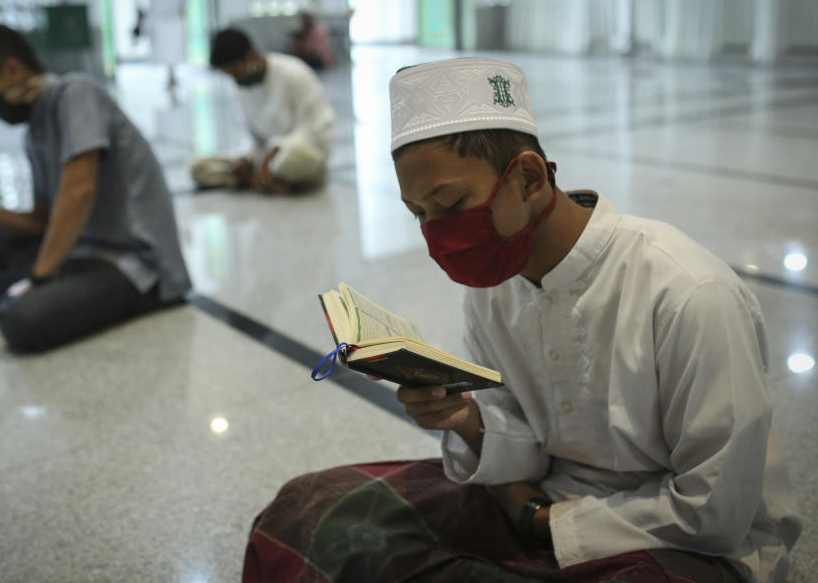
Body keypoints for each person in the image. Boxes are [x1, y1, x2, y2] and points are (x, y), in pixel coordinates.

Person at [243, 58, 801, 582]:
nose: (437, 234)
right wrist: (465, 419)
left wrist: (540, 520)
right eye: (420, 214)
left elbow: (716, 511)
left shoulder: (687, 294)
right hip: (536, 496)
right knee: (311, 510)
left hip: (672, 540)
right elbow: (526, 435)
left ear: (530, 179)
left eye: (451, 204)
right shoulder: (495, 284)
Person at [0, 25, 191, 353]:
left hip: (133, 263)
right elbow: (42, 220)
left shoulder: (76, 93)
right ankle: (56, 289)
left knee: (21, 322)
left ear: (12, 69)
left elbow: (79, 192)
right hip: (81, 250)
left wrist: (38, 278)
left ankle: (50, 292)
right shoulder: (34, 129)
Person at [190, 28, 335, 195]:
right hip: (264, 156)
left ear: (250, 56)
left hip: (301, 151)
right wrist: (245, 159)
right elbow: (252, 137)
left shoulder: (294, 73)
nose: (235, 80)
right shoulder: (242, 87)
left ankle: (264, 177)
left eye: (236, 72)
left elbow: (315, 130)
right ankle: (263, 179)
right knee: (198, 168)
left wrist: (277, 149)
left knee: (292, 160)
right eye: (230, 76)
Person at [134, 0, 190, 91]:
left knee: (169, 41)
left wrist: (138, 5)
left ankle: (171, 74)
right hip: (168, 2)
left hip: (161, 2)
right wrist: (183, 1)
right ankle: (170, 74)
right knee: (169, 41)